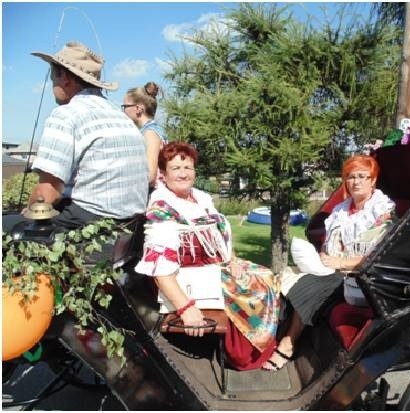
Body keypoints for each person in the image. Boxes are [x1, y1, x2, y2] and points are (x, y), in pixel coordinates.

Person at [134, 142, 280, 370]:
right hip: (188, 277)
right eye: (175, 168)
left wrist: (232, 260)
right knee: (255, 286)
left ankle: (265, 344)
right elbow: (160, 269)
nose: (183, 174)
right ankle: (246, 355)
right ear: (163, 174)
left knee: (266, 275)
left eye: (188, 167)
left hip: (214, 265)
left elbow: (218, 234)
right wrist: (185, 308)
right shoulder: (162, 207)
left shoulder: (200, 197)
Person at [263, 154, 395, 371]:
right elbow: (332, 245)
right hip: (337, 270)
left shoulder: (382, 211)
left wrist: (340, 262)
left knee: (315, 284)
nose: (356, 182)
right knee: (290, 280)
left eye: (363, 176)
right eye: (351, 177)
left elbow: (380, 256)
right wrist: (325, 257)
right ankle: (277, 338)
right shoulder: (342, 210)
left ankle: (288, 345)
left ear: (373, 180)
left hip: (367, 278)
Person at [26, 41, 148, 229]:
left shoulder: (67, 114)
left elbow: (47, 193)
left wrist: (27, 212)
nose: (53, 84)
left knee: (15, 228)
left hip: (91, 225)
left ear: (64, 77)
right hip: (131, 227)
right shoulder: (121, 117)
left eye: (53, 77)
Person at [123, 81, 167, 188]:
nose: (123, 111)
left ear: (138, 108)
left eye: (125, 106)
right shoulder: (152, 130)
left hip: (153, 195)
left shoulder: (150, 134)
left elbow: (150, 175)